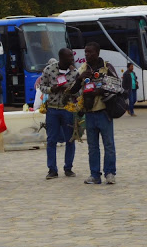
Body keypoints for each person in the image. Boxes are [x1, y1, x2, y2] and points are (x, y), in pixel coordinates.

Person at [75, 42, 119, 184]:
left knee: (109, 145)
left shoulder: (107, 67)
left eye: (90, 52)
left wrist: (99, 91)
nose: (87, 55)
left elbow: (117, 86)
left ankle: (110, 173)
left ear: (98, 53)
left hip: (104, 112)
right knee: (92, 147)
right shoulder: (83, 68)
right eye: (86, 52)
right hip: (89, 113)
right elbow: (73, 89)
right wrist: (80, 78)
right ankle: (94, 175)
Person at [39, 48, 79, 179]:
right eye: (70, 57)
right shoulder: (49, 70)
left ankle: (68, 168)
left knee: (70, 139)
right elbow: (42, 86)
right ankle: (52, 170)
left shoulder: (75, 72)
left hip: (68, 109)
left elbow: (79, 91)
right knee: (51, 140)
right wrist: (52, 89)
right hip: (52, 109)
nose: (72, 59)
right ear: (62, 58)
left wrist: (70, 90)